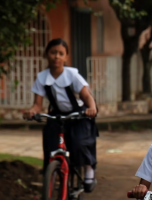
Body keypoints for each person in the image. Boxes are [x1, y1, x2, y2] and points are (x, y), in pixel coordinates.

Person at [23, 38, 98, 193]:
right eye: (53, 52)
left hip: (78, 114)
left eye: (60, 53)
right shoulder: (42, 77)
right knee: (51, 142)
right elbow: (37, 104)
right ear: (47, 55)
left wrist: (91, 107)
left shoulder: (72, 75)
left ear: (66, 57)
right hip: (57, 115)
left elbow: (86, 95)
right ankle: (54, 170)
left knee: (79, 143)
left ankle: (89, 169)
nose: (56, 56)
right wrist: (32, 111)